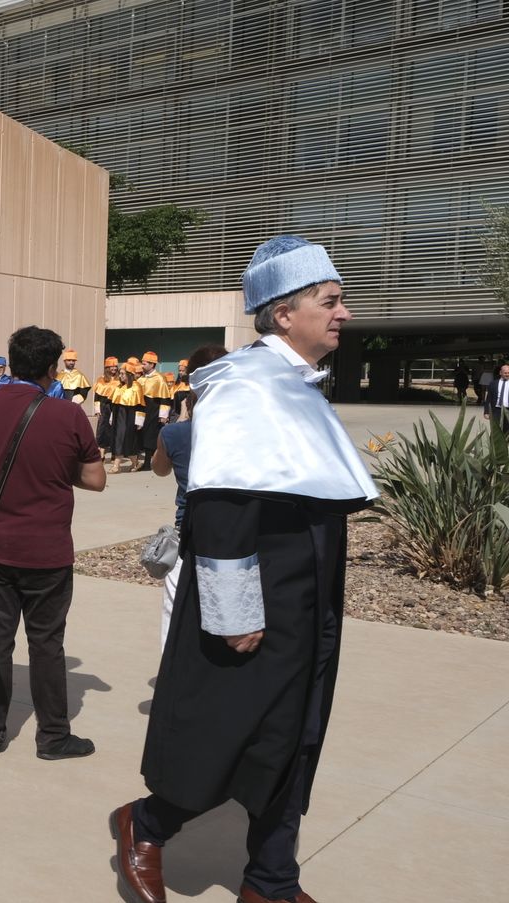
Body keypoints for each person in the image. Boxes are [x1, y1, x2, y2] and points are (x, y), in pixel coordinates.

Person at [112, 236, 379, 903]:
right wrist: (235, 611)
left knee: (293, 734)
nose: (344, 313)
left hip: (307, 591)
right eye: (330, 301)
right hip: (256, 593)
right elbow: (222, 505)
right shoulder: (244, 381)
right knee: (226, 729)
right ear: (284, 313)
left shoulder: (298, 382)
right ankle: (146, 823)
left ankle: (271, 879)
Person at [0, 326, 104, 762]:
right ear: (52, 368)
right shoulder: (68, 415)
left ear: (12, 360)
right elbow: (95, 479)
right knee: (47, 644)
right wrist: (57, 471)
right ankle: (53, 736)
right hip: (47, 551)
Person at [151, 344, 229, 647]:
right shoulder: (246, 431)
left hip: (189, 528)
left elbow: (159, 469)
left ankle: (171, 670)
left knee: (175, 611)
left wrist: (182, 420)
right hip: (237, 532)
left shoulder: (175, 434)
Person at [137, 352, 174, 472]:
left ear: (152, 364)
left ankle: (148, 463)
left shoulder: (159, 378)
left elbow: (165, 398)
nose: (142, 366)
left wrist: (163, 415)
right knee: (142, 434)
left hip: (153, 409)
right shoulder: (141, 379)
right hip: (142, 409)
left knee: (150, 435)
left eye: (144, 364)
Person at [110, 359, 146, 473]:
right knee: (119, 439)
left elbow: (140, 405)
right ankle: (117, 466)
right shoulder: (119, 387)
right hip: (119, 417)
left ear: (129, 375)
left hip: (130, 417)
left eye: (122, 374)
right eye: (120, 374)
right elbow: (114, 404)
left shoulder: (136, 387)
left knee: (129, 442)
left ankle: (135, 463)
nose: (120, 376)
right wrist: (112, 416)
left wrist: (139, 421)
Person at [93, 356, 120, 453]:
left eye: (115, 366)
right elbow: (97, 396)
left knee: (115, 428)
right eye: (111, 366)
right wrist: (97, 410)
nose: (114, 368)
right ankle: (101, 450)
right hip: (104, 406)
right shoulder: (101, 379)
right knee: (102, 428)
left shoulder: (120, 379)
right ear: (107, 368)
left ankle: (114, 452)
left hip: (116, 406)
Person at [486, 361, 509, 434]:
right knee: (495, 431)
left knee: (507, 431)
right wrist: (486, 412)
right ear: (500, 373)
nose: (507, 374)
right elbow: (489, 399)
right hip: (497, 410)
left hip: (508, 410)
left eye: (508, 373)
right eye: (505, 373)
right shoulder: (493, 384)